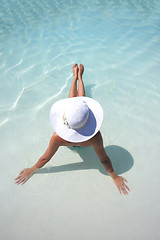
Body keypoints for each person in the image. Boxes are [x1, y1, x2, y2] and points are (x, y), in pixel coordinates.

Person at [15, 64, 130, 195]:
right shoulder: (95, 137)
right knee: (80, 107)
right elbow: (104, 160)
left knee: (74, 106)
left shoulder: (57, 137)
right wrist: (115, 177)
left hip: (68, 141)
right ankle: (79, 77)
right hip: (86, 141)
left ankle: (75, 77)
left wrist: (32, 170)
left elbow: (45, 159)